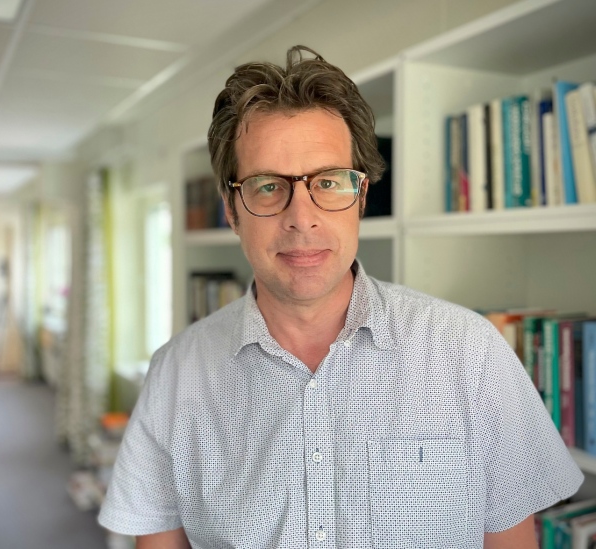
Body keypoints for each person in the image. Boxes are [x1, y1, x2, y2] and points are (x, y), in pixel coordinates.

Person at [98, 45, 583, 548]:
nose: (301, 217)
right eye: (267, 186)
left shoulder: (471, 355)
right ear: (232, 208)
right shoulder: (175, 376)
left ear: (362, 196)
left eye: (328, 182)